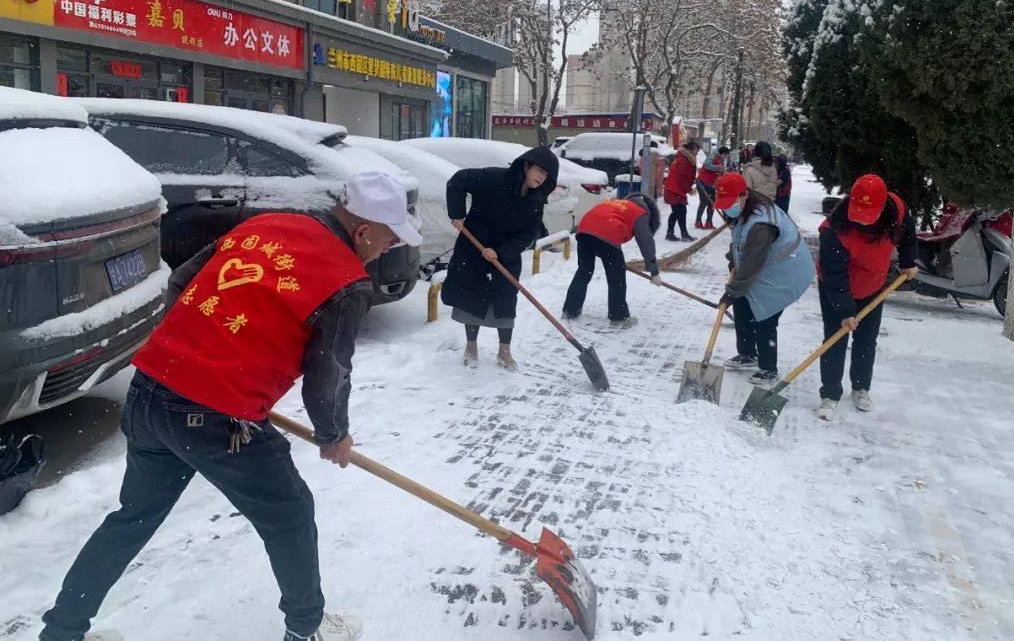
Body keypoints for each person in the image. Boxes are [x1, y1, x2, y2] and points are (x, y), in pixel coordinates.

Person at [40, 172, 422, 641]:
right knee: (289, 514)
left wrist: (202, 350)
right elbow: (329, 373)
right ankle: (306, 630)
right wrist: (333, 434)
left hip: (149, 389)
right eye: (388, 240)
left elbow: (182, 281)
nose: (388, 250)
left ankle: (62, 631)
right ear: (363, 231)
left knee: (132, 517)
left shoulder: (266, 225)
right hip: (217, 417)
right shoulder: (346, 282)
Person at [442, 147, 559, 371]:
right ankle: (471, 346)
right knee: (471, 299)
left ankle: (504, 351)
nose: (541, 178)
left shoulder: (536, 200)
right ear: (526, 166)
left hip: (505, 257)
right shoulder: (493, 178)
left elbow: (530, 232)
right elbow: (458, 180)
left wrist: (503, 252)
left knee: (505, 303)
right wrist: (456, 212)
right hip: (473, 249)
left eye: (546, 175)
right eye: (539, 171)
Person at [816, 174, 918, 420]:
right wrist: (845, 312)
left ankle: (861, 387)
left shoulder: (897, 210)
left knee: (866, 339)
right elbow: (834, 275)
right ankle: (830, 394)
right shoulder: (834, 230)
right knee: (835, 338)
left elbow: (908, 232)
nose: (861, 221)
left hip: (873, 284)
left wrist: (907, 261)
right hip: (837, 287)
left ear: (883, 206)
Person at [714, 173, 815, 385]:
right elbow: (741, 239)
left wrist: (731, 292)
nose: (727, 208)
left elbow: (752, 263)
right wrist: (734, 256)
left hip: (787, 270)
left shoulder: (761, 223)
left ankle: (769, 369)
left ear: (744, 194)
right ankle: (748, 354)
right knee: (742, 306)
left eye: (730, 202)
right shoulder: (745, 209)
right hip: (767, 264)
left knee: (765, 317)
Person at [562, 193, 662, 325]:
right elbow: (646, 242)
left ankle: (570, 310)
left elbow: (597, 228)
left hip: (584, 230)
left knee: (584, 271)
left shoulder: (616, 203)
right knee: (617, 277)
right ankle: (618, 316)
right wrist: (654, 272)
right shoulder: (640, 213)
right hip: (608, 233)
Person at [663, 139, 699, 242]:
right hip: (675, 190)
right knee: (681, 211)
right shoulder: (684, 160)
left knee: (676, 212)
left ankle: (670, 234)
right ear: (690, 150)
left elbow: (685, 176)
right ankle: (684, 234)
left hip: (673, 189)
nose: (697, 152)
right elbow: (682, 177)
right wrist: (688, 189)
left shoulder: (684, 158)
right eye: (696, 150)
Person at [695, 146, 729, 229]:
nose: (726, 156)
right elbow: (707, 165)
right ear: (722, 153)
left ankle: (709, 222)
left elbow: (719, 173)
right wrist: (718, 168)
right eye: (725, 154)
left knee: (712, 203)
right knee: (704, 202)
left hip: (711, 185)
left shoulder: (721, 160)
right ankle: (698, 221)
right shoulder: (713, 156)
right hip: (702, 182)